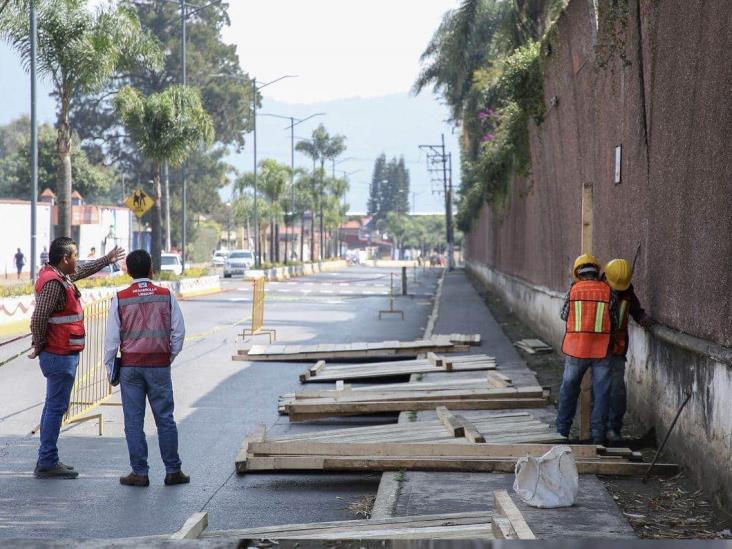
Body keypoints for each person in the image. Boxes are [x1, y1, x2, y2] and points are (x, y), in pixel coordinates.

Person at [29, 237, 125, 479]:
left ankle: (47, 458)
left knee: (54, 405)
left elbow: (82, 270)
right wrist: (38, 343)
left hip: (63, 353)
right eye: (74, 256)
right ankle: (48, 461)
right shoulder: (53, 283)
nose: (77, 260)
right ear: (64, 259)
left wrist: (106, 259)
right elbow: (38, 317)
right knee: (56, 407)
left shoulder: (60, 276)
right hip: (58, 354)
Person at [104, 249, 188, 487]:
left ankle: (139, 472)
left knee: (133, 421)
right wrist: (168, 356)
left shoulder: (120, 297)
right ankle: (173, 471)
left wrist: (111, 367)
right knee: (165, 418)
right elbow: (179, 332)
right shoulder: (165, 294)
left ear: (128, 271)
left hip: (131, 367)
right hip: (159, 365)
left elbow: (111, 340)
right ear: (151, 269)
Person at [556, 254, 618, 444]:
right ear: (596, 271)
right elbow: (614, 322)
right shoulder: (608, 291)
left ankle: (562, 432)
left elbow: (563, 315)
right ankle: (598, 436)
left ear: (578, 273)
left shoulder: (573, 291)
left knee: (568, 390)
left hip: (576, 350)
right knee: (601, 394)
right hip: (602, 351)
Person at [602, 258, 654, 441]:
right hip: (598, 350)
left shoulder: (627, 293)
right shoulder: (597, 290)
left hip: (617, 350)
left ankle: (614, 430)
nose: (618, 289)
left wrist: (642, 318)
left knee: (617, 392)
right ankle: (598, 432)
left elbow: (636, 311)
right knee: (599, 391)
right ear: (605, 278)